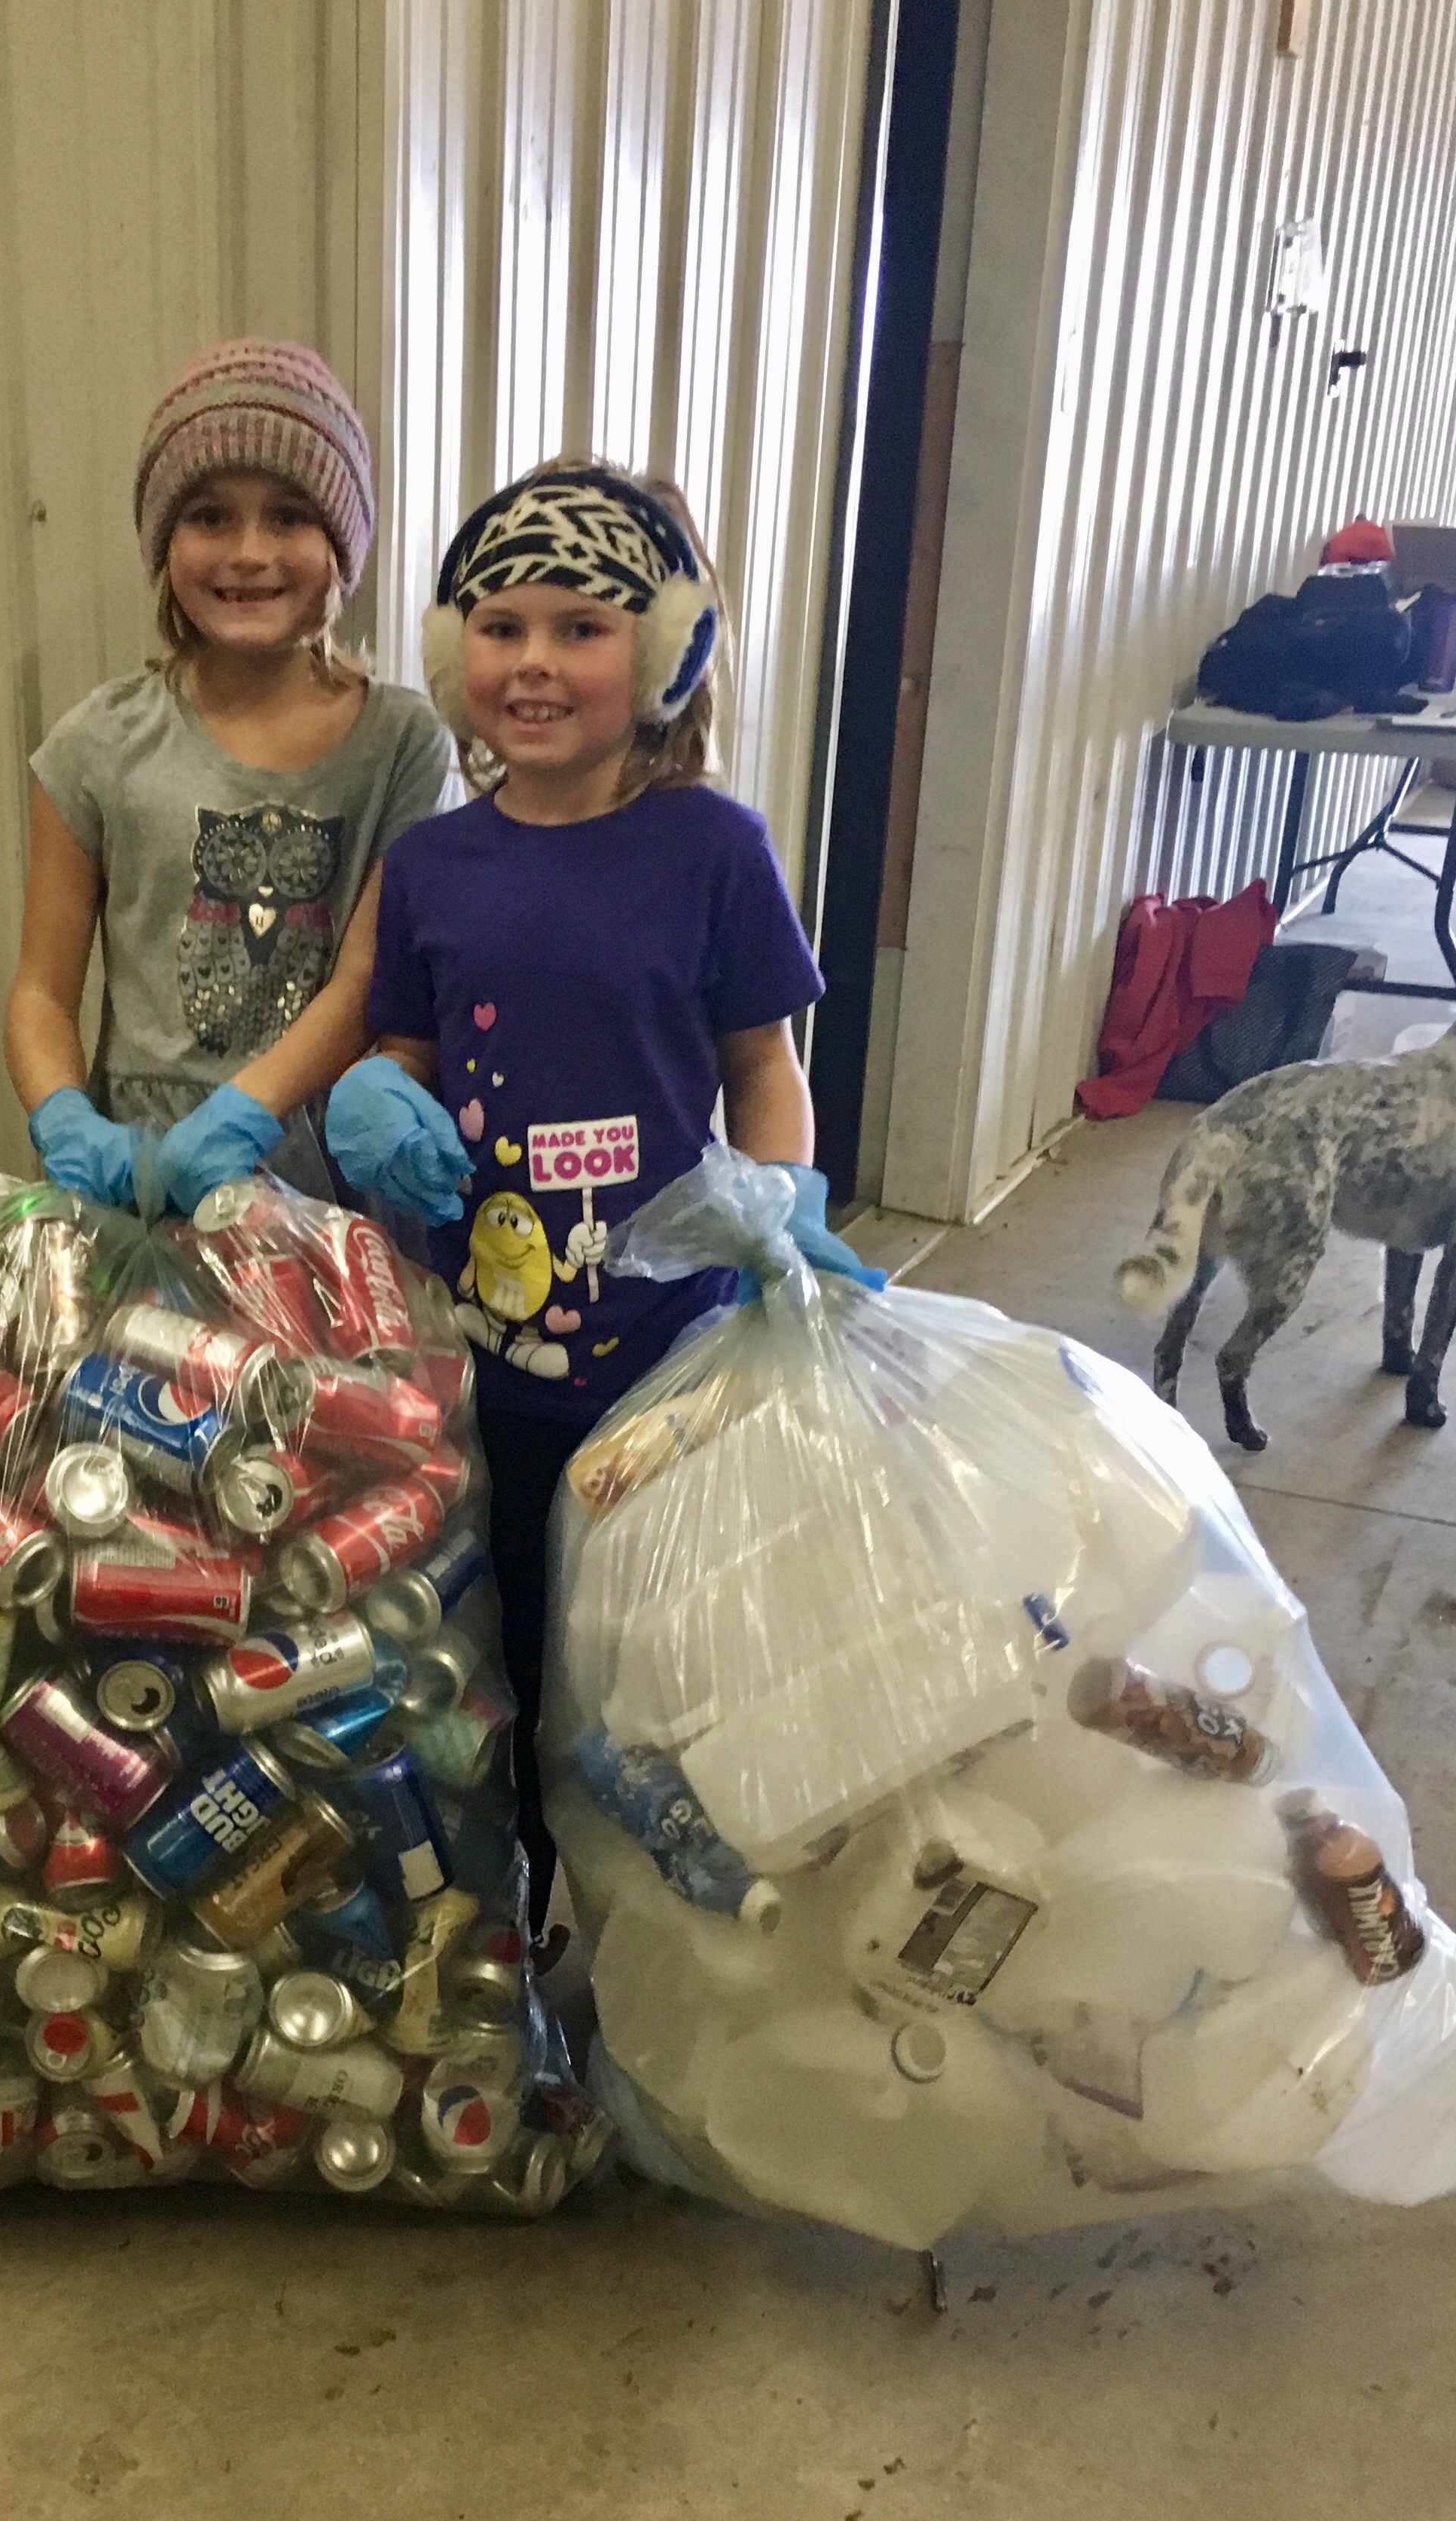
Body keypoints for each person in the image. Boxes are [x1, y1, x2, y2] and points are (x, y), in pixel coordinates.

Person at [325, 458, 879, 1936]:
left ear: (668, 649)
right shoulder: (431, 864)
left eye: (581, 627)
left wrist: (782, 1199)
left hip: (671, 1363)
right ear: (451, 650)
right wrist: (373, 1100)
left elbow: (760, 1062)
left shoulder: (713, 852)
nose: (535, 662)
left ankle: (669, 1944)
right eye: (501, 626)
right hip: (484, 1370)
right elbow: (403, 1051)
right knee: (503, 1657)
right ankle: (517, 1927)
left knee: (655, 1666)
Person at [5, 339, 453, 1215]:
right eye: (210, 517)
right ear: (164, 541)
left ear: (343, 541)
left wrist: (243, 1114)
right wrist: (63, 1115)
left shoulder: (402, 745)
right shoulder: (97, 744)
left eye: (289, 517)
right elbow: (40, 990)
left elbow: (366, 981)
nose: (249, 552)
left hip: (326, 1196)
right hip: (142, 1189)